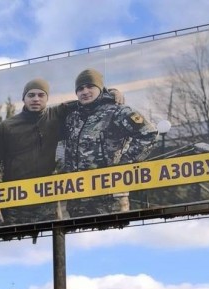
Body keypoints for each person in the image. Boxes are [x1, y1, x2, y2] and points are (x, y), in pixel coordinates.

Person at [58, 68, 158, 218]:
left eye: (90, 86)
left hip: (110, 198)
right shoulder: (73, 117)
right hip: (78, 199)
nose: (85, 91)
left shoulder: (116, 111)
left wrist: (125, 163)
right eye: (80, 89)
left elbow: (148, 134)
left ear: (100, 88)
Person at [0, 78, 76, 227]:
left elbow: (87, 99)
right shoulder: (6, 127)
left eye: (40, 95)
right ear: (24, 98)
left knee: (54, 240)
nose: (36, 99)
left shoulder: (55, 116)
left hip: (47, 199)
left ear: (47, 98)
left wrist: (112, 93)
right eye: (31, 95)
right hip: (14, 200)